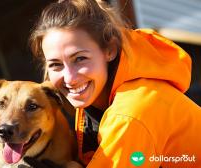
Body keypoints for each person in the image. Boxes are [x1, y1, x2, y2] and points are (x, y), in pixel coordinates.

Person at [24, 0, 201, 167]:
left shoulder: (131, 113)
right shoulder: (95, 98)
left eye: (80, 58)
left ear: (110, 50)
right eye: (56, 64)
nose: (69, 78)